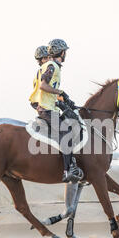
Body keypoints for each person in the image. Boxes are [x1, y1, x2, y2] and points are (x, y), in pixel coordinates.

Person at [29, 39, 83, 183]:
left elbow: (48, 91)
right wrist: (60, 92)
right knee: (66, 134)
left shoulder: (50, 66)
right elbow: (43, 86)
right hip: (46, 109)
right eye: (65, 51)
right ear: (62, 52)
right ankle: (68, 171)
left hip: (48, 107)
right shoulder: (52, 66)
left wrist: (64, 100)